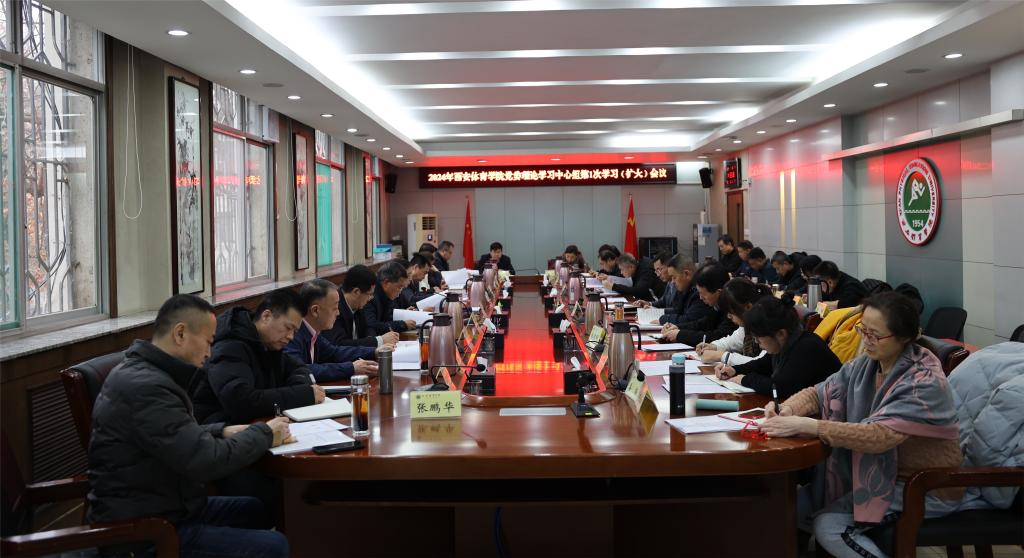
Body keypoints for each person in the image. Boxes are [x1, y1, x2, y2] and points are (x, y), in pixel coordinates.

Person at [88, 294, 291, 558]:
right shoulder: (146, 387)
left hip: (171, 505)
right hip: (146, 531)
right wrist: (264, 433)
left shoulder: (150, 374)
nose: (209, 353)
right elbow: (206, 460)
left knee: (255, 509)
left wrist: (221, 430)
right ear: (180, 334)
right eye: (208, 342)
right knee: (275, 546)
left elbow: (171, 434)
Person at [761, 292, 961, 558]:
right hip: (880, 473)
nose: (865, 340)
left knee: (830, 527)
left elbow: (879, 436)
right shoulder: (867, 364)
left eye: (874, 335)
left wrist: (810, 426)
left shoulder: (923, 381)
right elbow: (820, 392)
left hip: (920, 484)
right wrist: (787, 409)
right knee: (793, 509)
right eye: (862, 330)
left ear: (904, 337)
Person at [193, 288, 324, 424]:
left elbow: (299, 368)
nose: (291, 337)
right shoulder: (229, 347)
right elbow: (242, 402)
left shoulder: (267, 343)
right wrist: (302, 395)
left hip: (256, 424)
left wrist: (299, 389)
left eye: (295, 331)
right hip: (220, 428)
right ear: (266, 316)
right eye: (288, 328)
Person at [713, 295, 840, 399]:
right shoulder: (786, 342)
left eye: (758, 337)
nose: (756, 342)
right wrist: (734, 370)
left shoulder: (807, 347)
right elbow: (763, 364)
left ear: (780, 334)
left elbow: (780, 388)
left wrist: (745, 379)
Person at [284, 279, 380, 383]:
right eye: (334, 308)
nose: (338, 313)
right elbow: (301, 370)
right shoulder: (292, 335)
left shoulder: (313, 332)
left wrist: (373, 352)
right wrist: (351, 368)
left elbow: (335, 353)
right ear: (315, 310)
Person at [695, 278, 771, 366]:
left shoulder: (768, 326)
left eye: (731, 312)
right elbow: (732, 342)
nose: (728, 316)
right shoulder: (746, 327)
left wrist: (722, 356)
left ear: (748, 307)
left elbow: (761, 363)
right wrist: (713, 346)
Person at [322, 264, 401, 348]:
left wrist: (373, 339)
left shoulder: (358, 304)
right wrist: (379, 340)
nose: (371, 298)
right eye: (369, 294)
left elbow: (368, 328)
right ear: (356, 292)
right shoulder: (335, 308)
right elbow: (340, 344)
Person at [662, 264, 738, 345]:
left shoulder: (733, 309)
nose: (701, 298)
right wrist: (677, 327)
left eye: (703, 294)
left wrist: (680, 335)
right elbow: (703, 324)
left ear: (719, 293)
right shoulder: (718, 306)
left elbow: (718, 336)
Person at [655, 254, 714, 326]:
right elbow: (678, 310)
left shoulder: (699, 291)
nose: (672, 282)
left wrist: (664, 319)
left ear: (686, 274)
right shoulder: (684, 288)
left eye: (674, 277)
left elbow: (690, 319)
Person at [364, 261, 418, 335]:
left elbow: (388, 320)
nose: (400, 292)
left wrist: (404, 314)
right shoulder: (370, 296)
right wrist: (403, 325)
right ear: (386, 283)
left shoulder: (387, 295)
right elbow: (372, 326)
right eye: (399, 287)